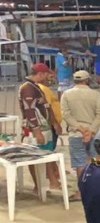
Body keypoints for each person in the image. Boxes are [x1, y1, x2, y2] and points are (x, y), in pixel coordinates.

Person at [61, 70, 100, 200]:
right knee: (96, 161)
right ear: (87, 80)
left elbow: (66, 114)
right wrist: (90, 130)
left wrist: (80, 128)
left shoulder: (66, 94)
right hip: (93, 132)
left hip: (75, 133)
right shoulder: (95, 94)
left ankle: (82, 192)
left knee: (79, 163)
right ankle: (98, 189)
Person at [19, 63, 62, 191]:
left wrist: (54, 123)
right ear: (40, 74)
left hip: (45, 127)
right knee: (34, 158)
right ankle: (38, 185)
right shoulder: (28, 88)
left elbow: (46, 107)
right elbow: (29, 110)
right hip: (37, 129)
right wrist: (37, 131)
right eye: (46, 74)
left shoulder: (35, 86)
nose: (47, 77)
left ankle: (52, 182)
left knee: (47, 155)